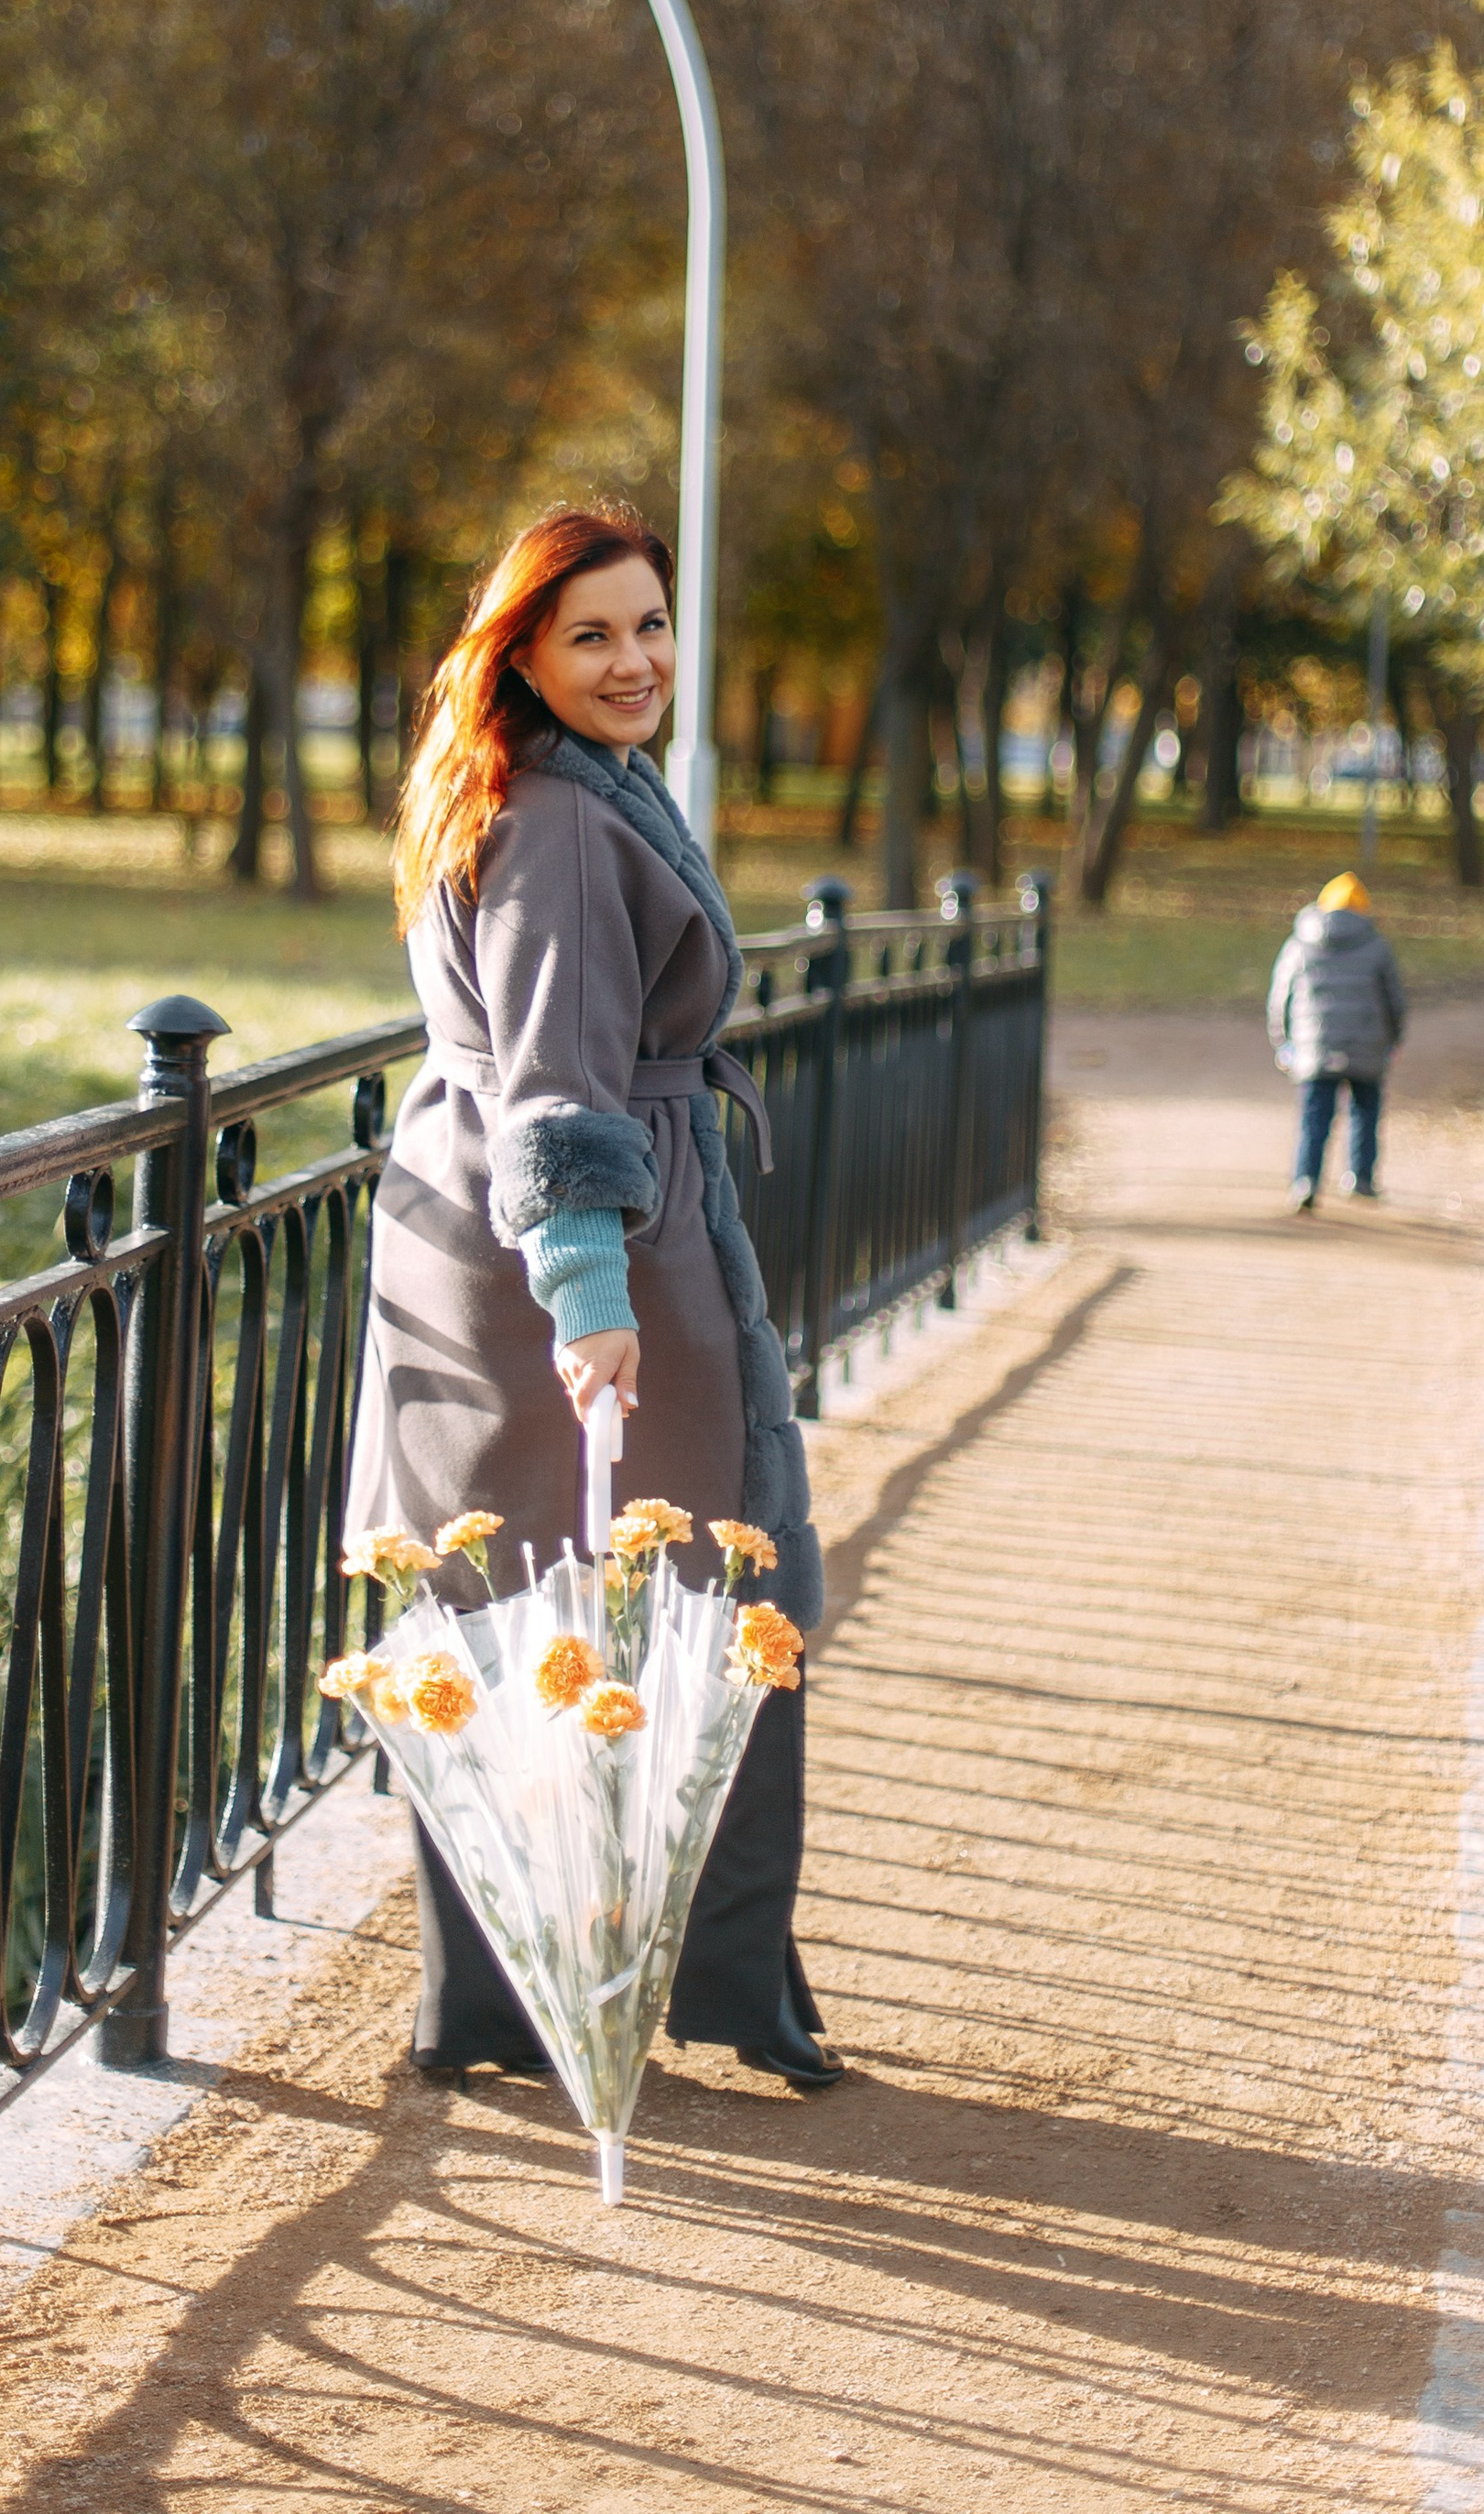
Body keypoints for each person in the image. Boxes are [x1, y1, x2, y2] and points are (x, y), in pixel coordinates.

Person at [346, 502, 837, 2091]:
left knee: (522, 1612)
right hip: (583, 1247)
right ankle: (692, 1987)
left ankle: (511, 1993)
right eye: (592, 635)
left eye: (649, 626)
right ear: (526, 656)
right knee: (714, 1591)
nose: (634, 662)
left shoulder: (539, 789)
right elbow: (560, 1088)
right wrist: (588, 1295)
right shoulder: (559, 825)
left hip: (496, 1227)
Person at [1267, 869, 1406, 1210]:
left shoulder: (1300, 944)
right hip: (1367, 1044)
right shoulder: (1376, 946)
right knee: (1366, 1109)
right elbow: (1394, 1000)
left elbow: (1280, 998)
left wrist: (1283, 1042)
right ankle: (1360, 1176)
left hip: (1314, 1046)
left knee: (1314, 1116)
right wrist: (1393, 1040)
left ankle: (1306, 1180)